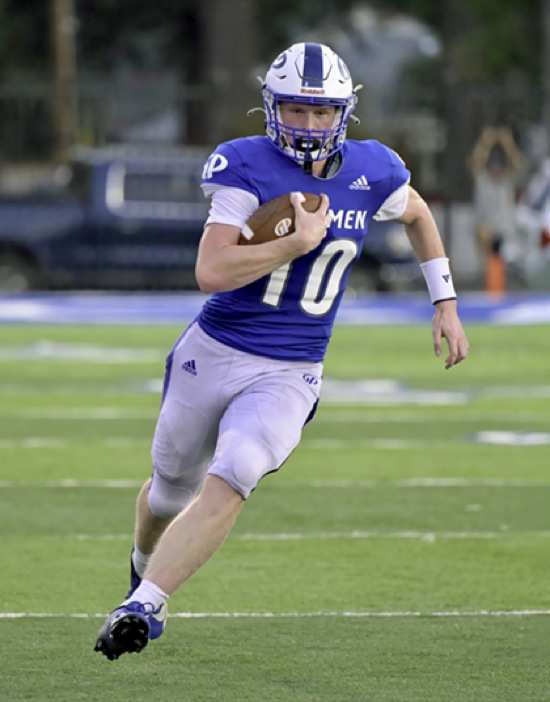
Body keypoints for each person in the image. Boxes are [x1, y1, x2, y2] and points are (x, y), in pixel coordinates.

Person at [94, 42, 470, 660]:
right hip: (214, 350)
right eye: (296, 109)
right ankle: (141, 566)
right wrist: (292, 244)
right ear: (272, 108)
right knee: (168, 491)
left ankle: (143, 605)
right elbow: (211, 271)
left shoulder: (372, 169)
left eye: (322, 112)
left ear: (344, 113)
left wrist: (445, 302)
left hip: (292, 367)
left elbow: (420, 215)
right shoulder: (245, 164)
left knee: (237, 469)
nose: (310, 124)